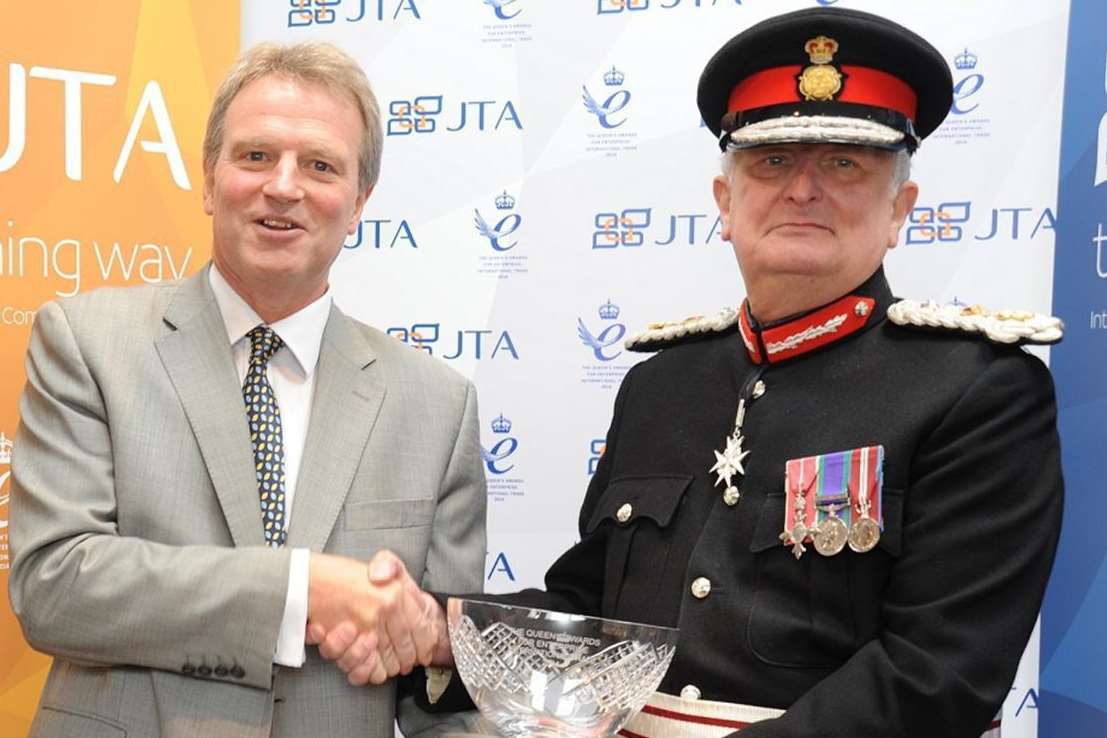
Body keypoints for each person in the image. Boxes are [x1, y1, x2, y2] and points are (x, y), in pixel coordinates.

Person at [315, 7, 1065, 738]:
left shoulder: (978, 390)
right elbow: (591, 606)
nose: (804, 189)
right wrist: (442, 630)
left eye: (844, 162)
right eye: (772, 161)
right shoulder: (660, 385)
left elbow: (936, 677)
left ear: (900, 207)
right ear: (724, 202)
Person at [7, 41, 485, 738]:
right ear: (208, 178)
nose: (284, 186)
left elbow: (439, 680)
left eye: (320, 165)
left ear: (359, 203)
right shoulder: (84, 341)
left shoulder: (437, 406)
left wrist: (433, 653)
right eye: (256, 156)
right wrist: (303, 590)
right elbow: (55, 587)